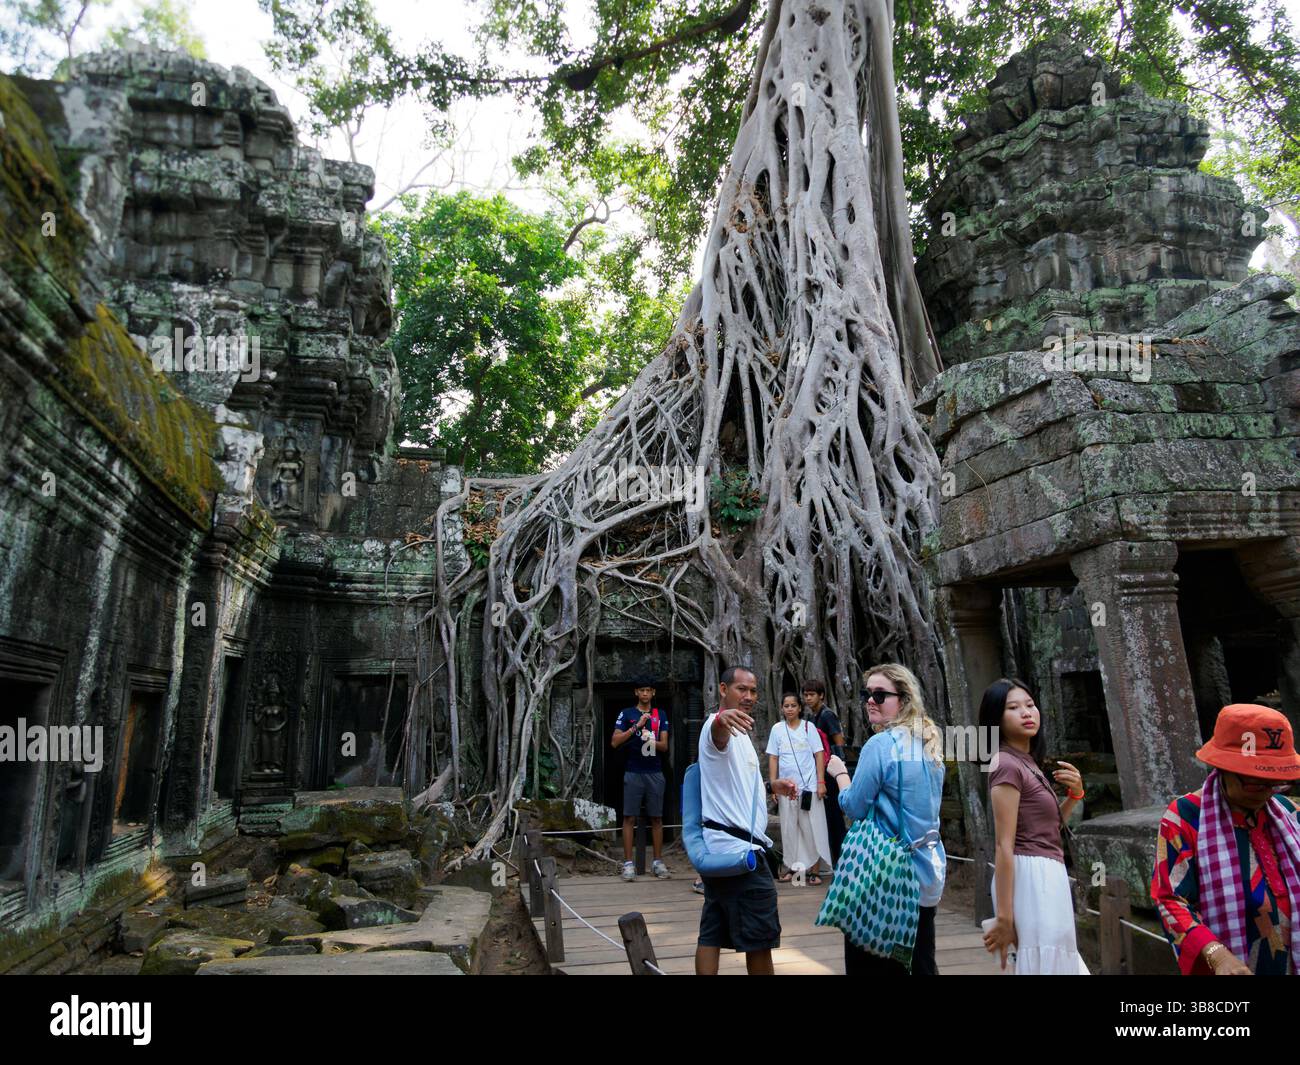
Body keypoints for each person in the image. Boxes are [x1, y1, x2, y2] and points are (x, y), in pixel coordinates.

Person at [1151, 703, 1300, 975]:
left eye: (1276, 782)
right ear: (1223, 768)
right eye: (1256, 782)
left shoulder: (1290, 814)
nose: (1267, 792)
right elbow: (1170, 899)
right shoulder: (1185, 817)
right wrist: (1217, 955)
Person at [825, 662, 946, 975]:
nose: (870, 701)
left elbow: (853, 806)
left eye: (880, 695)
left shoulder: (880, 745)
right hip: (924, 873)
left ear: (903, 701)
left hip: (882, 878)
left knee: (870, 964)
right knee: (920, 961)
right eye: (868, 694)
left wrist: (840, 774)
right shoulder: (930, 744)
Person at [978, 678, 1089, 974]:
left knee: (1057, 961)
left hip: (1048, 873)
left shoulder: (1027, 762)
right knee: (1045, 962)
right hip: (1030, 876)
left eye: (1030, 705)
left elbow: (1046, 826)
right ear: (996, 720)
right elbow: (1004, 843)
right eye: (1013, 707)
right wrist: (1004, 917)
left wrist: (1075, 795)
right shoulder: (1005, 764)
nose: (1027, 712)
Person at [695, 665, 797, 976]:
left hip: (719, 850)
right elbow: (717, 734)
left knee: (711, 931)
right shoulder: (718, 727)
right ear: (723, 690)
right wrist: (720, 720)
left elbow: (733, 784)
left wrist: (770, 787)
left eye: (753, 691)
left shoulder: (742, 735)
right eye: (742, 689)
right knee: (760, 939)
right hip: (742, 854)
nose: (749, 696)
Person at [766, 693, 831, 884]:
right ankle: (793, 868)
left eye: (793, 705)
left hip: (809, 786)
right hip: (787, 788)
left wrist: (820, 782)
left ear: (800, 708)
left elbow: (819, 754)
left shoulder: (808, 728)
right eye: (786, 705)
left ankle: (815, 870)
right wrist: (774, 786)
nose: (790, 709)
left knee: (812, 827)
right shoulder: (777, 729)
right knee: (789, 828)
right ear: (782, 708)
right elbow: (773, 758)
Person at [610, 679, 670, 881]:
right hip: (633, 770)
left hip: (655, 771)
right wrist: (637, 726)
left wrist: (650, 739)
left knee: (657, 817)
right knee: (629, 817)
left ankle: (658, 862)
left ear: (653, 692)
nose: (645, 693)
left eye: (648, 690)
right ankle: (628, 864)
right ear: (636, 692)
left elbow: (664, 746)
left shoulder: (660, 715)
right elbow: (615, 741)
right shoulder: (627, 714)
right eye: (641, 690)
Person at [804, 680, 847, 867]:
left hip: (830, 773)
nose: (808, 698)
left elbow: (839, 742)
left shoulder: (827, 715)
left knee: (834, 817)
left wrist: (838, 769)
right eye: (805, 695)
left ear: (821, 695)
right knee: (826, 818)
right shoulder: (812, 717)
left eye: (811, 694)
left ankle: (843, 860)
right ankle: (834, 860)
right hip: (819, 771)